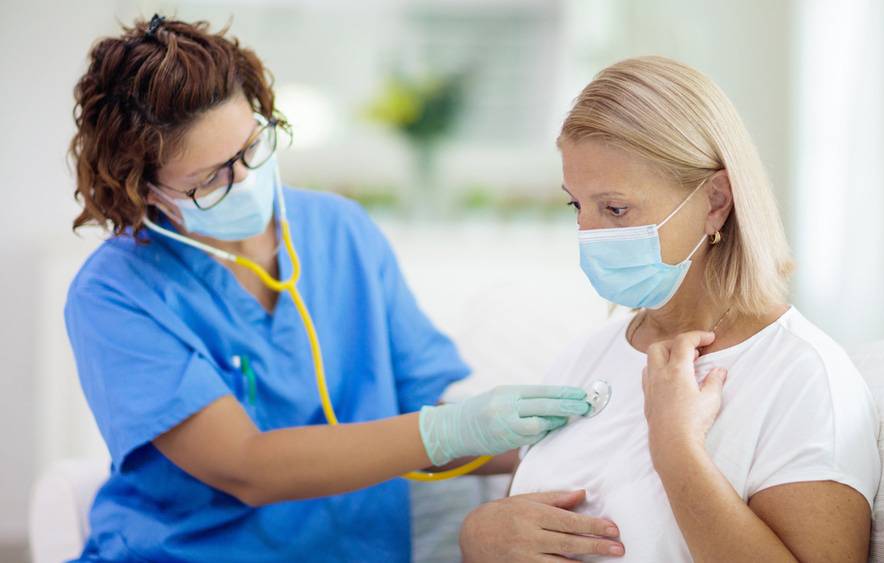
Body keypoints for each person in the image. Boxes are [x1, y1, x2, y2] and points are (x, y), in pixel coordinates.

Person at [64, 15, 591, 562]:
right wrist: (452, 429)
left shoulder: (340, 230)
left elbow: (423, 413)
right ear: (144, 191)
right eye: (209, 179)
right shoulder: (115, 293)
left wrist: (553, 432)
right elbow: (247, 467)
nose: (246, 179)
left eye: (253, 145)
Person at [459, 56, 881, 562]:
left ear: (716, 201)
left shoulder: (803, 377)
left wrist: (675, 448)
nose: (588, 234)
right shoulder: (585, 358)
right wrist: (479, 538)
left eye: (616, 209)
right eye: (577, 206)